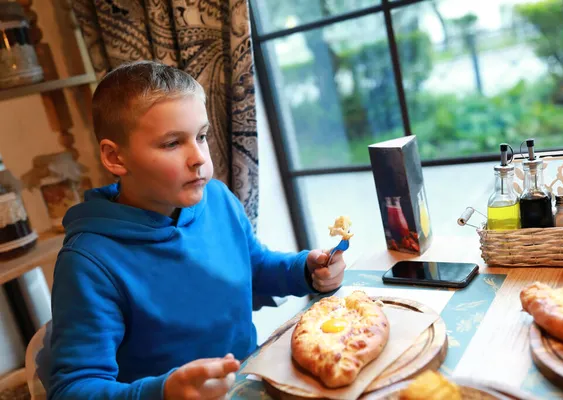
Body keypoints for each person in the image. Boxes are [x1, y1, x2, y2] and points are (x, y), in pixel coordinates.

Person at [45, 60, 347, 399]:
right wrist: (163, 392)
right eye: (173, 143)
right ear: (115, 158)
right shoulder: (88, 262)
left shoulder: (216, 198)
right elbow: (72, 388)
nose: (199, 157)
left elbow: (255, 267)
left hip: (252, 382)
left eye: (201, 136)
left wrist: (305, 270)